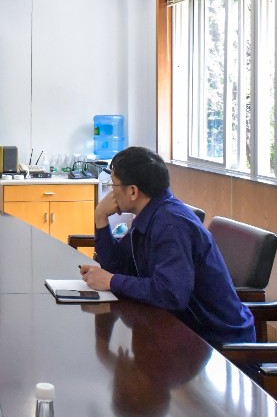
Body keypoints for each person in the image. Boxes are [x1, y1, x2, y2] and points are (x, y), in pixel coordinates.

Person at [80, 146, 255, 347]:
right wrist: (100, 218)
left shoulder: (171, 224)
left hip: (215, 342)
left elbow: (171, 294)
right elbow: (118, 266)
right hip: (181, 329)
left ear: (133, 191)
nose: (112, 192)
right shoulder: (151, 215)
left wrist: (111, 281)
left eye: (114, 185)